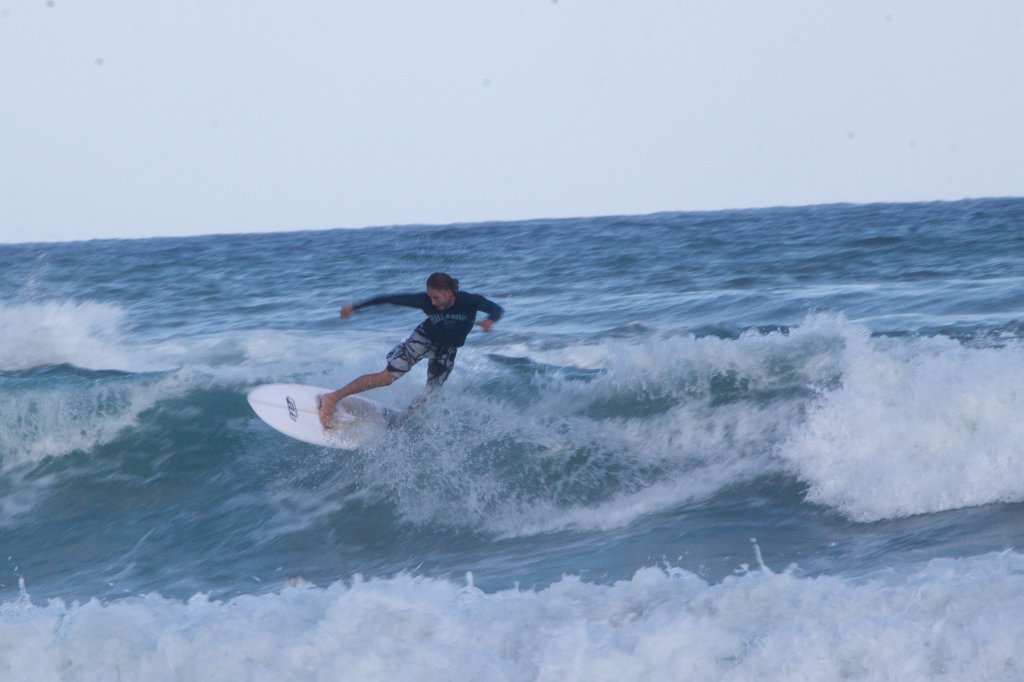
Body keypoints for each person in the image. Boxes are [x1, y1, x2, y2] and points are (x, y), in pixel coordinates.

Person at [318, 272, 503, 428]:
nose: (432, 302)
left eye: (436, 297)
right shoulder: (425, 301)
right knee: (387, 377)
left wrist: (490, 320)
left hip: (446, 350)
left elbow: (496, 309)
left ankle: (401, 423)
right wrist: (355, 307)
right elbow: (390, 299)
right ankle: (332, 398)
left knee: (431, 394)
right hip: (423, 339)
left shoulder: (470, 301)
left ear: (449, 292)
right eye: (430, 296)